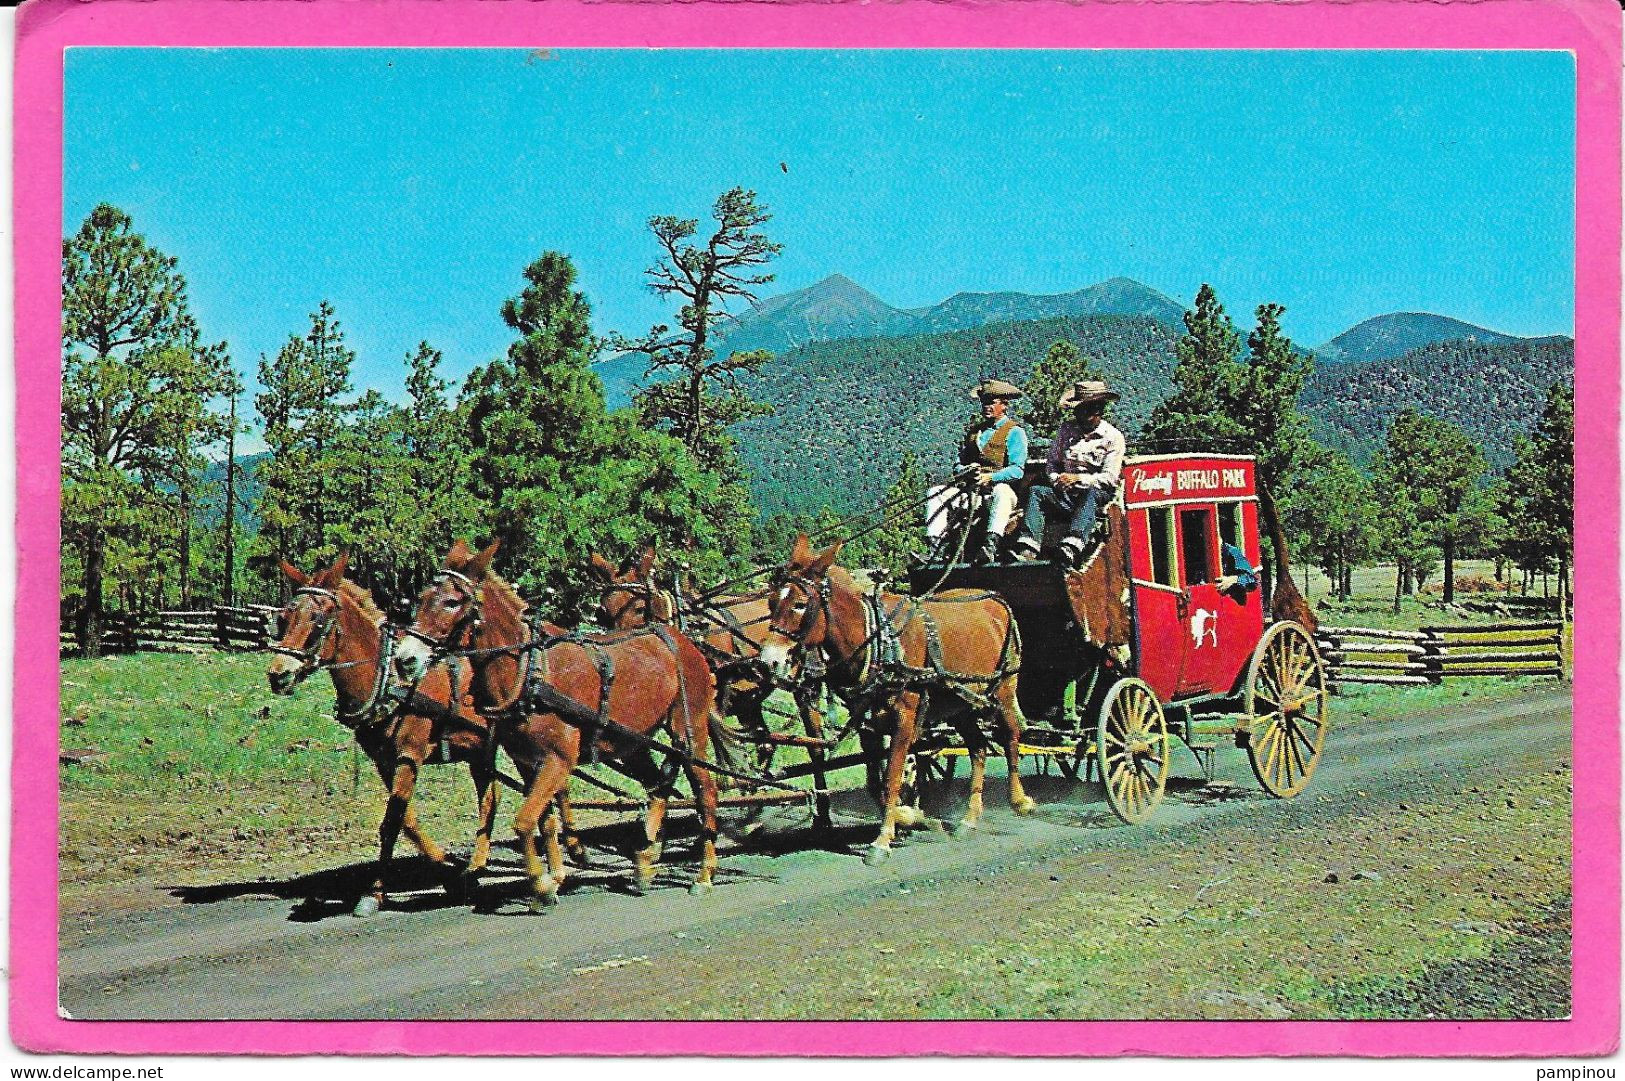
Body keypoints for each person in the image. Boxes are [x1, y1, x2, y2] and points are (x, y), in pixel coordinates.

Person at [1013, 379, 1125, 568]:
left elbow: (1109, 478)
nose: (1080, 414)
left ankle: (1072, 545)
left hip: (1095, 495)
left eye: (1087, 409)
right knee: (1037, 492)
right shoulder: (1066, 430)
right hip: (1065, 493)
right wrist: (1057, 479)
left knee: (1091, 494)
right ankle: (1028, 547)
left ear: (1098, 410)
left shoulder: (1113, 438)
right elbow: (1052, 464)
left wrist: (1078, 479)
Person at [925, 379, 1029, 564]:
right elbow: (958, 464)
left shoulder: (1014, 432)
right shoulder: (975, 433)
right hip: (972, 494)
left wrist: (991, 477)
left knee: (1002, 491)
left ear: (1004, 405)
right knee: (935, 493)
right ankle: (935, 548)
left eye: (991, 402)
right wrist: (965, 471)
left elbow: (1017, 470)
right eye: (984, 402)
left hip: (1001, 495)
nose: (986, 406)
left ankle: (991, 545)